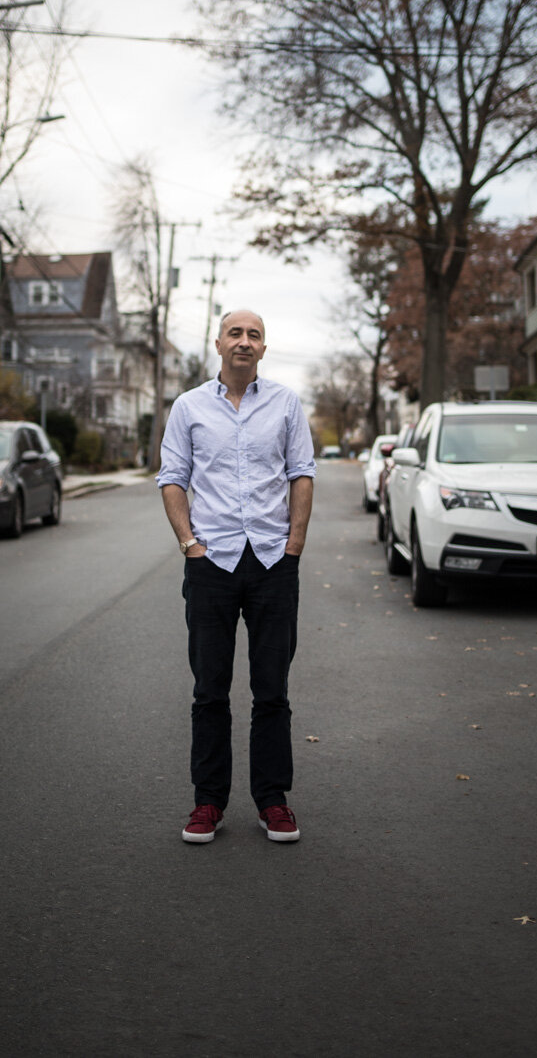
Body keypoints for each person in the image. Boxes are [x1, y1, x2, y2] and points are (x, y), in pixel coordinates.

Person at [157, 308, 315, 844]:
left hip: (273, 563)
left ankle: (273, 801)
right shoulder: (189, 407)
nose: (244, 342)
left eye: (254, 335)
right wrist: (190, 545)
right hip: (212, 565)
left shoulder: (286, 404)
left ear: (263, 350)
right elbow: (172, 478)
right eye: (236, 333)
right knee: (210, 693)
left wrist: (294, 546)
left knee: (272, 691)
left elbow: (302, 474)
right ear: (218, 344)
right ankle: (208, 804)